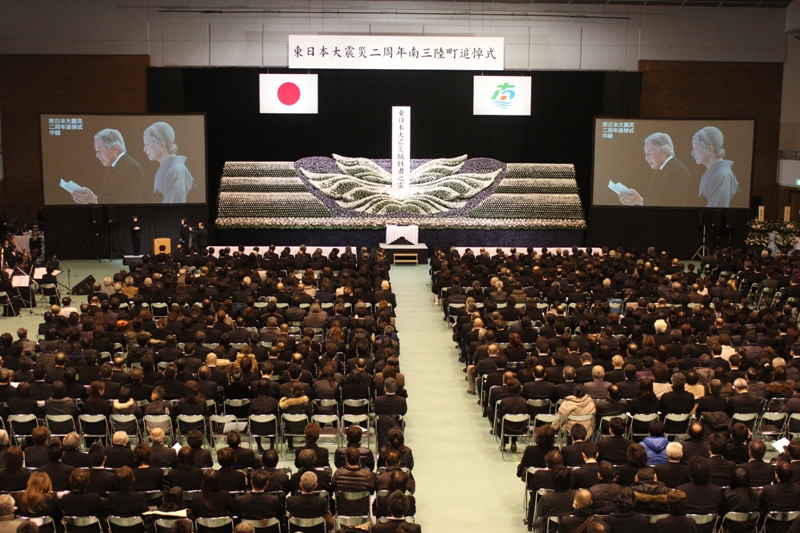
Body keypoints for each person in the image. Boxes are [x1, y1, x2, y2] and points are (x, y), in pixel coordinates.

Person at [71, 128, 145, 205]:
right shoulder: (111, 167)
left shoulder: (132, 168)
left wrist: (94, 199)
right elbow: (106, 196)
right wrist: (88, 200)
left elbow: (127, 202)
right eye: (96, 151)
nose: (97, 155)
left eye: (100, 150)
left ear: (116, 149)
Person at [618, 132, 691, 207]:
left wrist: (640, 201)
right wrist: (634, 200)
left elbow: (673, 206)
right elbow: (653, 199)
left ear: (664, 152)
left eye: (649, 154)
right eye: (646, 154)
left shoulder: (679, 171)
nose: (646, 158)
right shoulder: (660, 168)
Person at [143, 121, 195, 203]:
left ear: (161, 145)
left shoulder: (176, 171)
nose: (144, 149)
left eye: (147, 144)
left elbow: (173, 208)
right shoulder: (169, 168)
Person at [692, 126, 740, 208]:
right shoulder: (714, 172)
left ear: (710, 150)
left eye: (696, 148)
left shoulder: (722, 175)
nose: (692, 153)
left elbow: (716, 212)